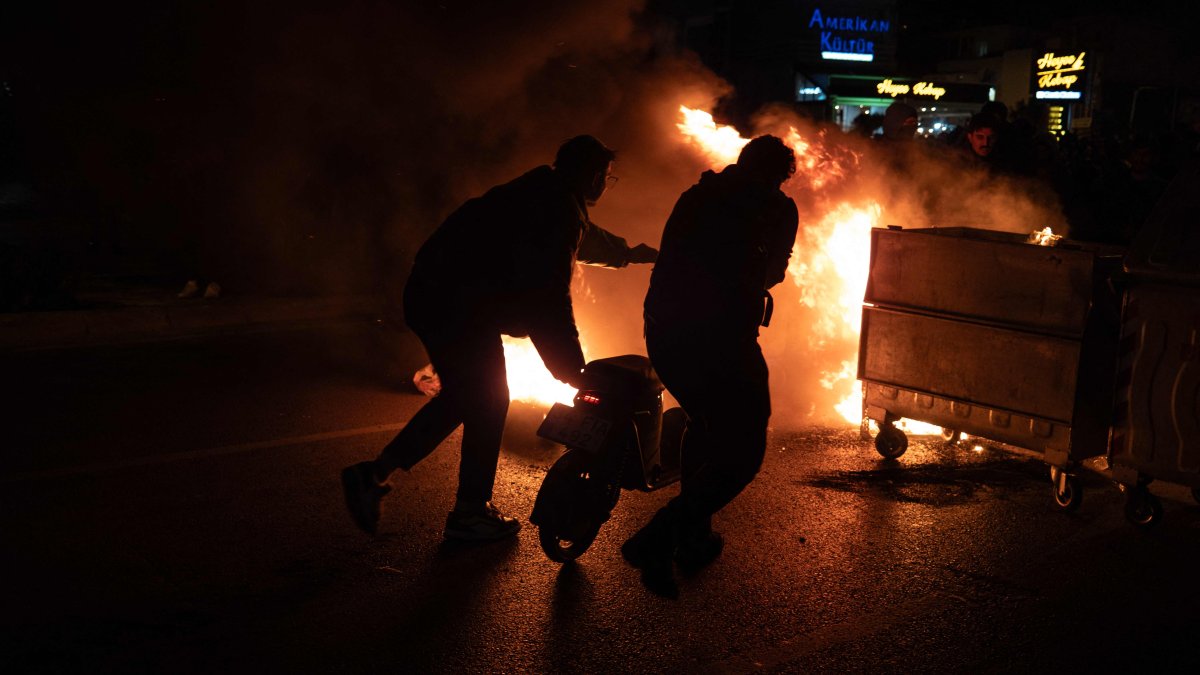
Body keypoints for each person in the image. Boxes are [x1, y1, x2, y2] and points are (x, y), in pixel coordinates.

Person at [341, 135, 658, 542]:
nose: (605, 186)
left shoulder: (545, 193)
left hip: (440, 296)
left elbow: (585, 236)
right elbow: (548, 298)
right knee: (488, 398)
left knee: (468, 395)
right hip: (456, 304)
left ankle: (377, 475)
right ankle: (468, 512)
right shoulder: (555, 208)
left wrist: (630, 252)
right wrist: (570, 368)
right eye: (608, 178)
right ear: (595, 176)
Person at [624, 135, 799, 592]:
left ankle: (694, 536)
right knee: (745, 451)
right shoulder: (772, 209)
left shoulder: (698, 194)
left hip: (664, 333)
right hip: (721, 342)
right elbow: (771, 273)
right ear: (778, 176)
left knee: (704, 422)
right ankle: (660, 535)